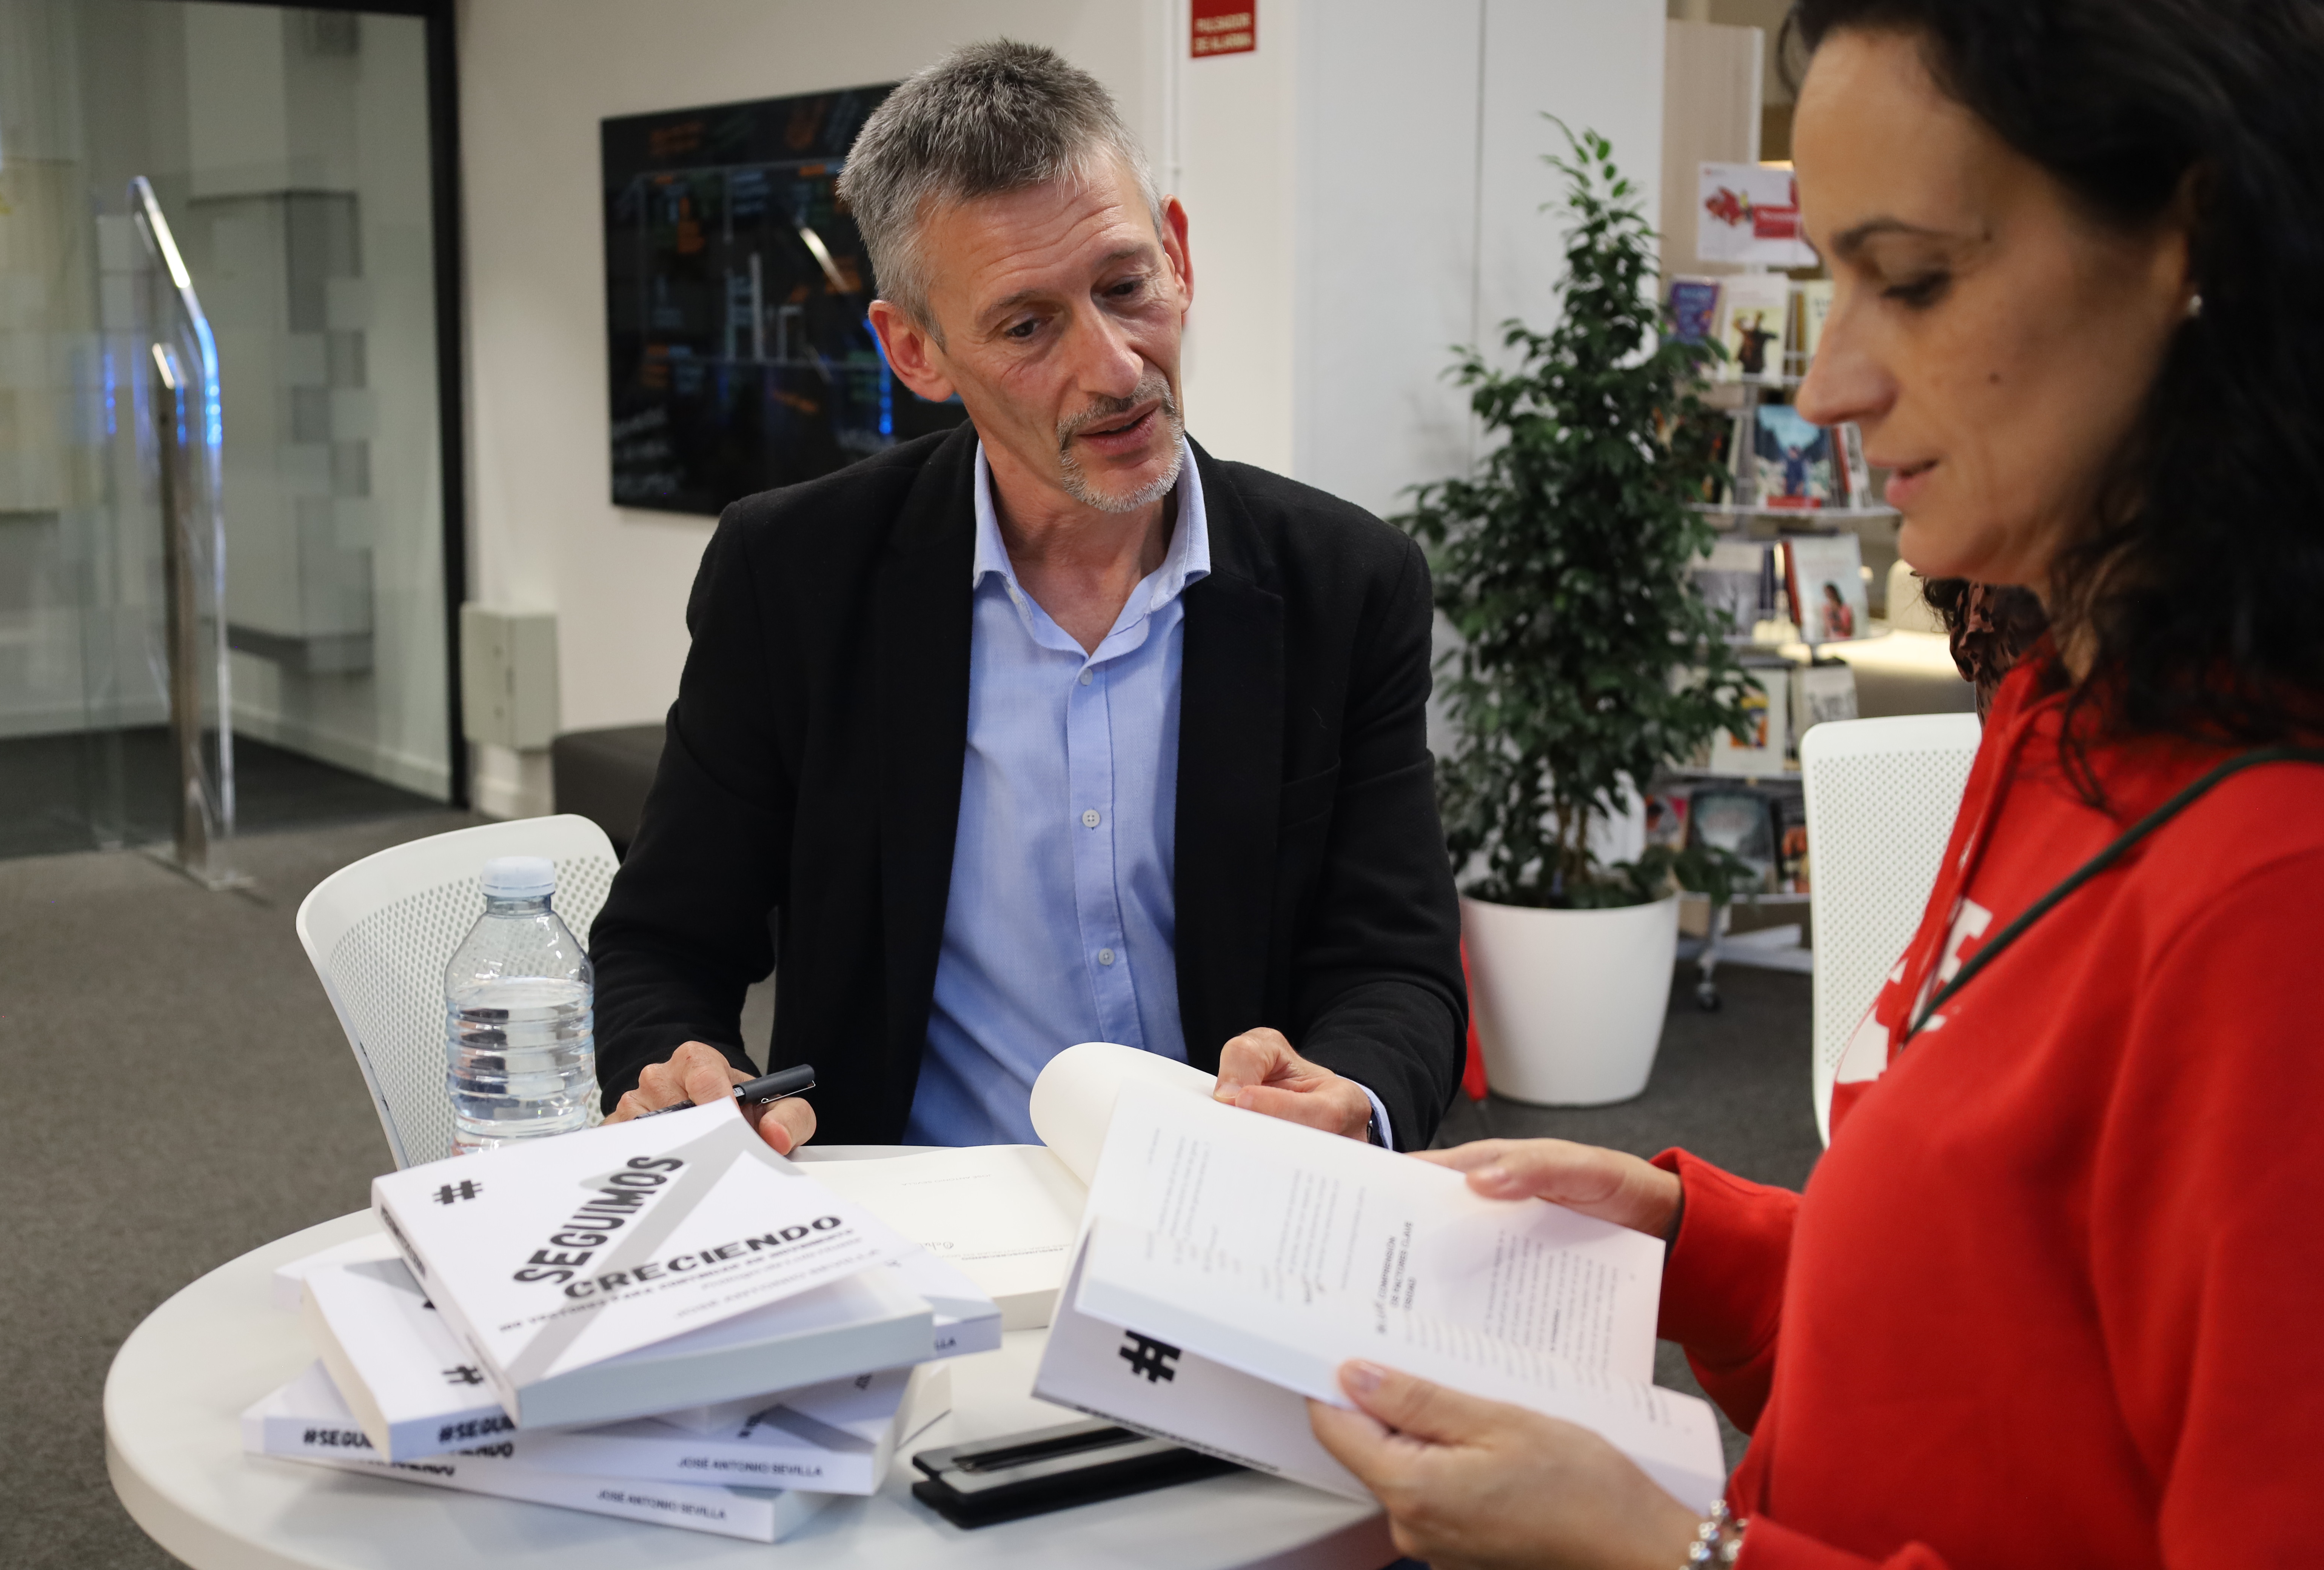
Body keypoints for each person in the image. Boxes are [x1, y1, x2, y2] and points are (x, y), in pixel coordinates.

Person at [1305, 1, 2324, 1564]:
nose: (1833, 381)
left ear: (2198, 243)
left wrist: (1670, 1550)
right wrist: (1696, 1241)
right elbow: (1997, 1352)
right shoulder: (2058, 720)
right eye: (1828, 279)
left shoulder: (2271, 892)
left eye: (1910, 282)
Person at [587, 42, 1465, 1155]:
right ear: (915, 351)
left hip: (1232, 1211)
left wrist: (1355, 1098)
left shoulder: (1346, 581)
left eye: (1125, 286)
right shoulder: (795, 576)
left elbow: (1398, 967)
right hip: (910, 1222)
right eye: (1027, 326)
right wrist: (688, 1075)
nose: (1114, 367)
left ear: (1178, 256)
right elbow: (663, 944)